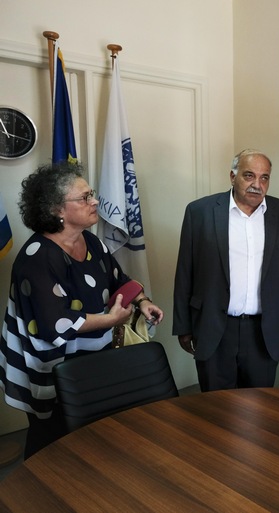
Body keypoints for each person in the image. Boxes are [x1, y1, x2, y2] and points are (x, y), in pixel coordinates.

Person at [0, 162, 163, 458]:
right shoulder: (36, 258)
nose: (95, 201)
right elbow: (54, 324)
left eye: (92, 194)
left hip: (90, 358)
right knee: (52, 441)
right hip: (50, 365)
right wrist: (109, 320)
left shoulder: (91, 241)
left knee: (91, 435)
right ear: (56, 210)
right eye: (85, 197)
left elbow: (118, 279)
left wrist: (142, 301)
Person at [173, 149, 279, 391]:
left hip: (264, 331)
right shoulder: (200, 212)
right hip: (214, 327)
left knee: (259, 406)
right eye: (249, 175)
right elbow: (185, 272)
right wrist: (183, 325)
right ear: (233, 176)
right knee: (215, 405)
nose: (257, 184)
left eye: (264, 177)